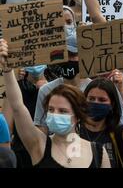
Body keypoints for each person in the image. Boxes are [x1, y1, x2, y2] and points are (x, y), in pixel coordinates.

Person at [0, 39, 110, 168]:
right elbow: (18, 106)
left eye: (63, 111)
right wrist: (7, 70)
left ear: (78, 115)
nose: (55, 114)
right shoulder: (38, 145)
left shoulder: (99, 153)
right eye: (51, 110)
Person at [33, 33, 91, 131]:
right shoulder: (46, 90)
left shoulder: (92, 89)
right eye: (65, 55)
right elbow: (41, 127)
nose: (68, 59)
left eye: (73, 55)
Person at [80, 73, 123, 168]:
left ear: (112, 105)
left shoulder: (118, 133)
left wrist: (122, 90)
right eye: (91, 98)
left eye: (102, 100)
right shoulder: (75, 130)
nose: (95, 102)